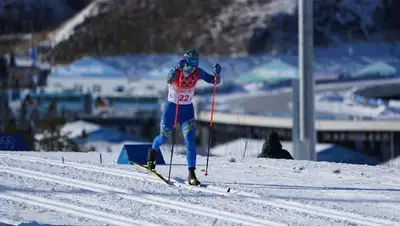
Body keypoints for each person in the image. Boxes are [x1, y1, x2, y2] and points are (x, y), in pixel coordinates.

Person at [147, 49, 221, 185]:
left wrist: (217, 73)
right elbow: (168, 78)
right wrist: (177, 68)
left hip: (187, 110)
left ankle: (191, 174)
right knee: (163, 137)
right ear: (185, 62)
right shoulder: (177, 71)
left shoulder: (198, 72)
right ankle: (152, 151)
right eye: (191, 64)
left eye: (195, 64)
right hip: (171, 109)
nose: (193, 68)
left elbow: (215, 81)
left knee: (190, 141)